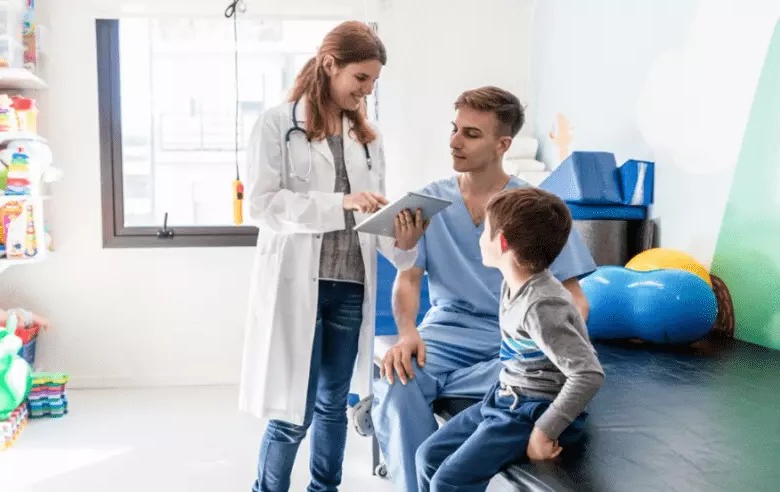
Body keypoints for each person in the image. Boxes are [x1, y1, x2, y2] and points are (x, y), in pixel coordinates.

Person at [369, 86, 597, 491]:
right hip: (447, 332)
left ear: (502, 144)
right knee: (397, 378)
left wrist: (556, 345)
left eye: (471, 134)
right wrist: (406, 334)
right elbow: (409, 278)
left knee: (523, 384)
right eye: (455, 129)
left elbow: (574, 297)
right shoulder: (428, 202)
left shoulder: (532, 208)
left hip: (512, 340)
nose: (455, 141)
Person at [238, 21, 428, 492]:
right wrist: (339, 202)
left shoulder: (369, 137)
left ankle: (325, 488)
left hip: (350, 287)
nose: (366, 91)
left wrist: (402, 238)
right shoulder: (277, 125)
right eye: (360, 79)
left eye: (373, 83)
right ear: (330, 65)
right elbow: (262, 205)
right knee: (292, 411)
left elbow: (372, 218)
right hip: (296, 283)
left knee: (333, 405)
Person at [415, 187, 605, 491]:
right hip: (505, 398)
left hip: (534, 410)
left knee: (448, 482)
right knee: (428, 456)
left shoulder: (543, 305)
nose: (479, 238)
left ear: (502, 242)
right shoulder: (512, 285)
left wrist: (544, 431)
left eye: (485, 231)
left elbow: (588, 374)